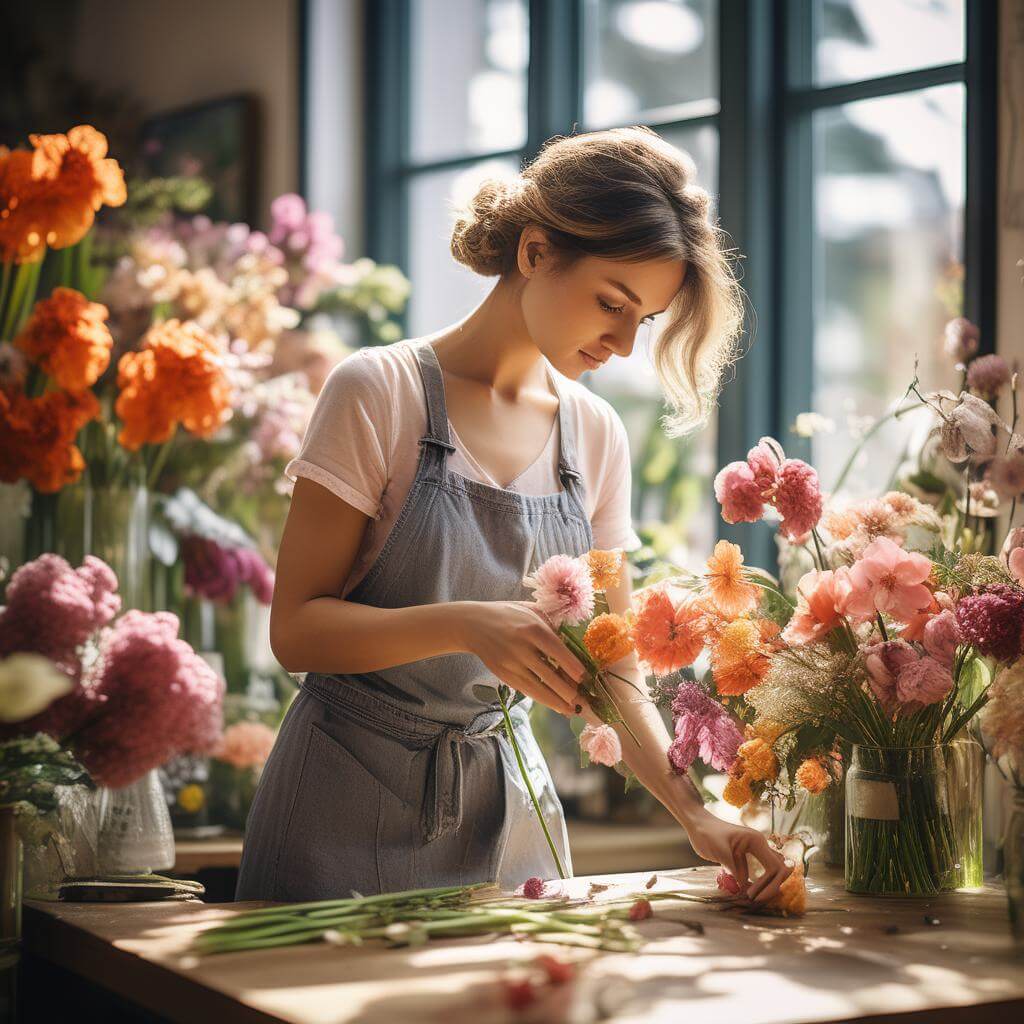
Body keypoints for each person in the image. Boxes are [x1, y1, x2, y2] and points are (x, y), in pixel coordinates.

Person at [235, 125, 793, 906]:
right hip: (337, 810)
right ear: (534, 252)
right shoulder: (378, 393)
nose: (625, 345)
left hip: (508, 818)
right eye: (611, 303)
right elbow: (295, 629)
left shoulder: (594, 435)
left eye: (646, 320)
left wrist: (697, 815)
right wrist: (467, 623)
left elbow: (614, 670)